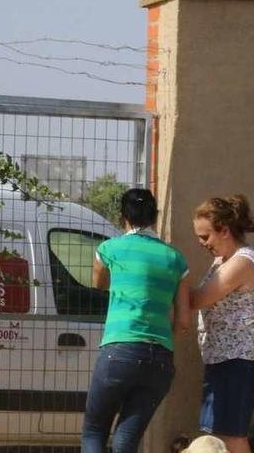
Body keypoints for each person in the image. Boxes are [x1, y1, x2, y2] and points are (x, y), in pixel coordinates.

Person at [81, 188, 192, 453]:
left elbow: (98, 283)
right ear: (155, 217)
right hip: (160, 358)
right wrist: (163, 344)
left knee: (95, 430)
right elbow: (184, 319)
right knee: (126, 441)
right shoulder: (176, 259)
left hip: (119, 351)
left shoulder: (109, 249)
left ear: (124, 218)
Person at [190, 195, 254, 453]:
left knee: (233, 437)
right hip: (223, 358)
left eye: (205, 236)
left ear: (224, 230)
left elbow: (200, 298)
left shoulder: (241, 262)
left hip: (238, 361)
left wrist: (173, 281)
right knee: (219, 436)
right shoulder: (223, 260)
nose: (201, 243)